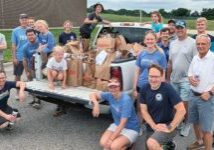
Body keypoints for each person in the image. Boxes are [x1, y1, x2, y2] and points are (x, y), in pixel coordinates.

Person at [140, 64, 186, 150]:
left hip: (167, 125)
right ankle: (168, 145)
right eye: (151, 76)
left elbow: (182, 110)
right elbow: (143, 111)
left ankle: (166, 142)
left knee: (152, 143)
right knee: (149, 145)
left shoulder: (167, 88)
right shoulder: (144, 89)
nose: (153, 79)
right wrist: (154, 126)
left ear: (161, 77)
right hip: (152, 126)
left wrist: (170, 127)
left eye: (156, 77)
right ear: (148, 76)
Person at [89, 78, 140, 150]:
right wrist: (96, 104)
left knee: (113, 146)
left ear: (119, 87)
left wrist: (111, 140)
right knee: (103, 143)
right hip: (116, 125)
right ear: (108, 88)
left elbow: (123, 123)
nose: (113, 89)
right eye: (111, 87)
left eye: (115, 87)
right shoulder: (109, 95)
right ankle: (121, 143)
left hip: (130, 128)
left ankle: (128, 145)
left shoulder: (126, 100)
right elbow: (92, 94)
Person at [167, 20, 197, 137]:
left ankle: (187, 123)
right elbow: (170, 62)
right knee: (176, 104)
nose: (179, 30)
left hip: (186, 79)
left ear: (186, 29)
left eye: (181, 28)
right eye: (177, 28)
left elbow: (196, 62)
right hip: (174, 79)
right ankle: (178, 121)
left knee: (185, 104)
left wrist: (193, 78)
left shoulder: (193, 43)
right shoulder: (172, 43)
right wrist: (167, 78)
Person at [187, 34, 214, 150]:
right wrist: (190, 79)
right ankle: (199, 141)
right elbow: (189, 74)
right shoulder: (195, 58)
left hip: (206, 98)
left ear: (209, 45)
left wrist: (211, 93)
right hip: (193, 95)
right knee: (195, 122)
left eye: (203, 44)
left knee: (206, 129)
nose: (200, 46)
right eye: (198, 44)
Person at [53, 20, 77, 117]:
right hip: (63, 54)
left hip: (71, 55)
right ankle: (60, 104)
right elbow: (59, 46)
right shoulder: (61, 35)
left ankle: (68, 81)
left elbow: (75, 44)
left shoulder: (73, 34)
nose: (68, 26)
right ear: (64, 26)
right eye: (66, 25)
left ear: (71, 26)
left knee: (70, 70)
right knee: (62, 71)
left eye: (69, 25)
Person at [133, 30, 167, 98]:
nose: (150, 41)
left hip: (154, 87)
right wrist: (134, 88)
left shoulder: (161, 54)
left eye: (152, 39)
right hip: (141, 85)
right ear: (144, 41)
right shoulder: (141, 53)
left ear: (155, 40)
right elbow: (137, 72)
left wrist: (161, 89)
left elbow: (163, 74)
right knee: (140, 107)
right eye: (147, 39)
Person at [11, 13, 28, 100]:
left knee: (30, 75)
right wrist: (14, 57)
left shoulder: (30, 30)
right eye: (22, 19)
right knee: (18, 76)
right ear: (20, 20)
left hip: (29, 57)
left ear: (27, 20)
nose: (24, 21)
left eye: (25, 19)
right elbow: (13, 45)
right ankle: (17, 92)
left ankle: (34, 95)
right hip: (19, 57)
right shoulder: (15, 31)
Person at [22, 28, 41, 109]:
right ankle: (35, 99)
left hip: (40, 67)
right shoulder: (25, 47)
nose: (31, 36)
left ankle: (39, 99)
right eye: (29, 35)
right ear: (26, 36)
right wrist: (27, 71)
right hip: (31, 68)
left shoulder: (40, 43)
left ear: (35, 35)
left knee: (41, 83)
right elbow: (24, 60)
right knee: (32, 84)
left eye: (32, 34)